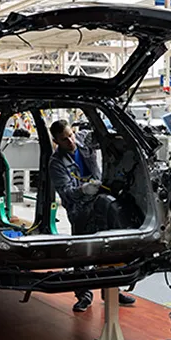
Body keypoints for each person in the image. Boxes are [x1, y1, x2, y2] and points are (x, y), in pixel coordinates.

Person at [48, 119, 136, 313]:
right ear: (56, 141)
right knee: (82, 253)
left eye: (71, 135)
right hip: (79, 210)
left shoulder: (82, 139)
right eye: (64, 139)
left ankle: (111, 289)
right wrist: (83, 190)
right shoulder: (56, 163)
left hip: (100, 200)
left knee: (109, 246)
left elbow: (104, 139)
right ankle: (83, 295)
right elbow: (67, 193)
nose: (71, 141)